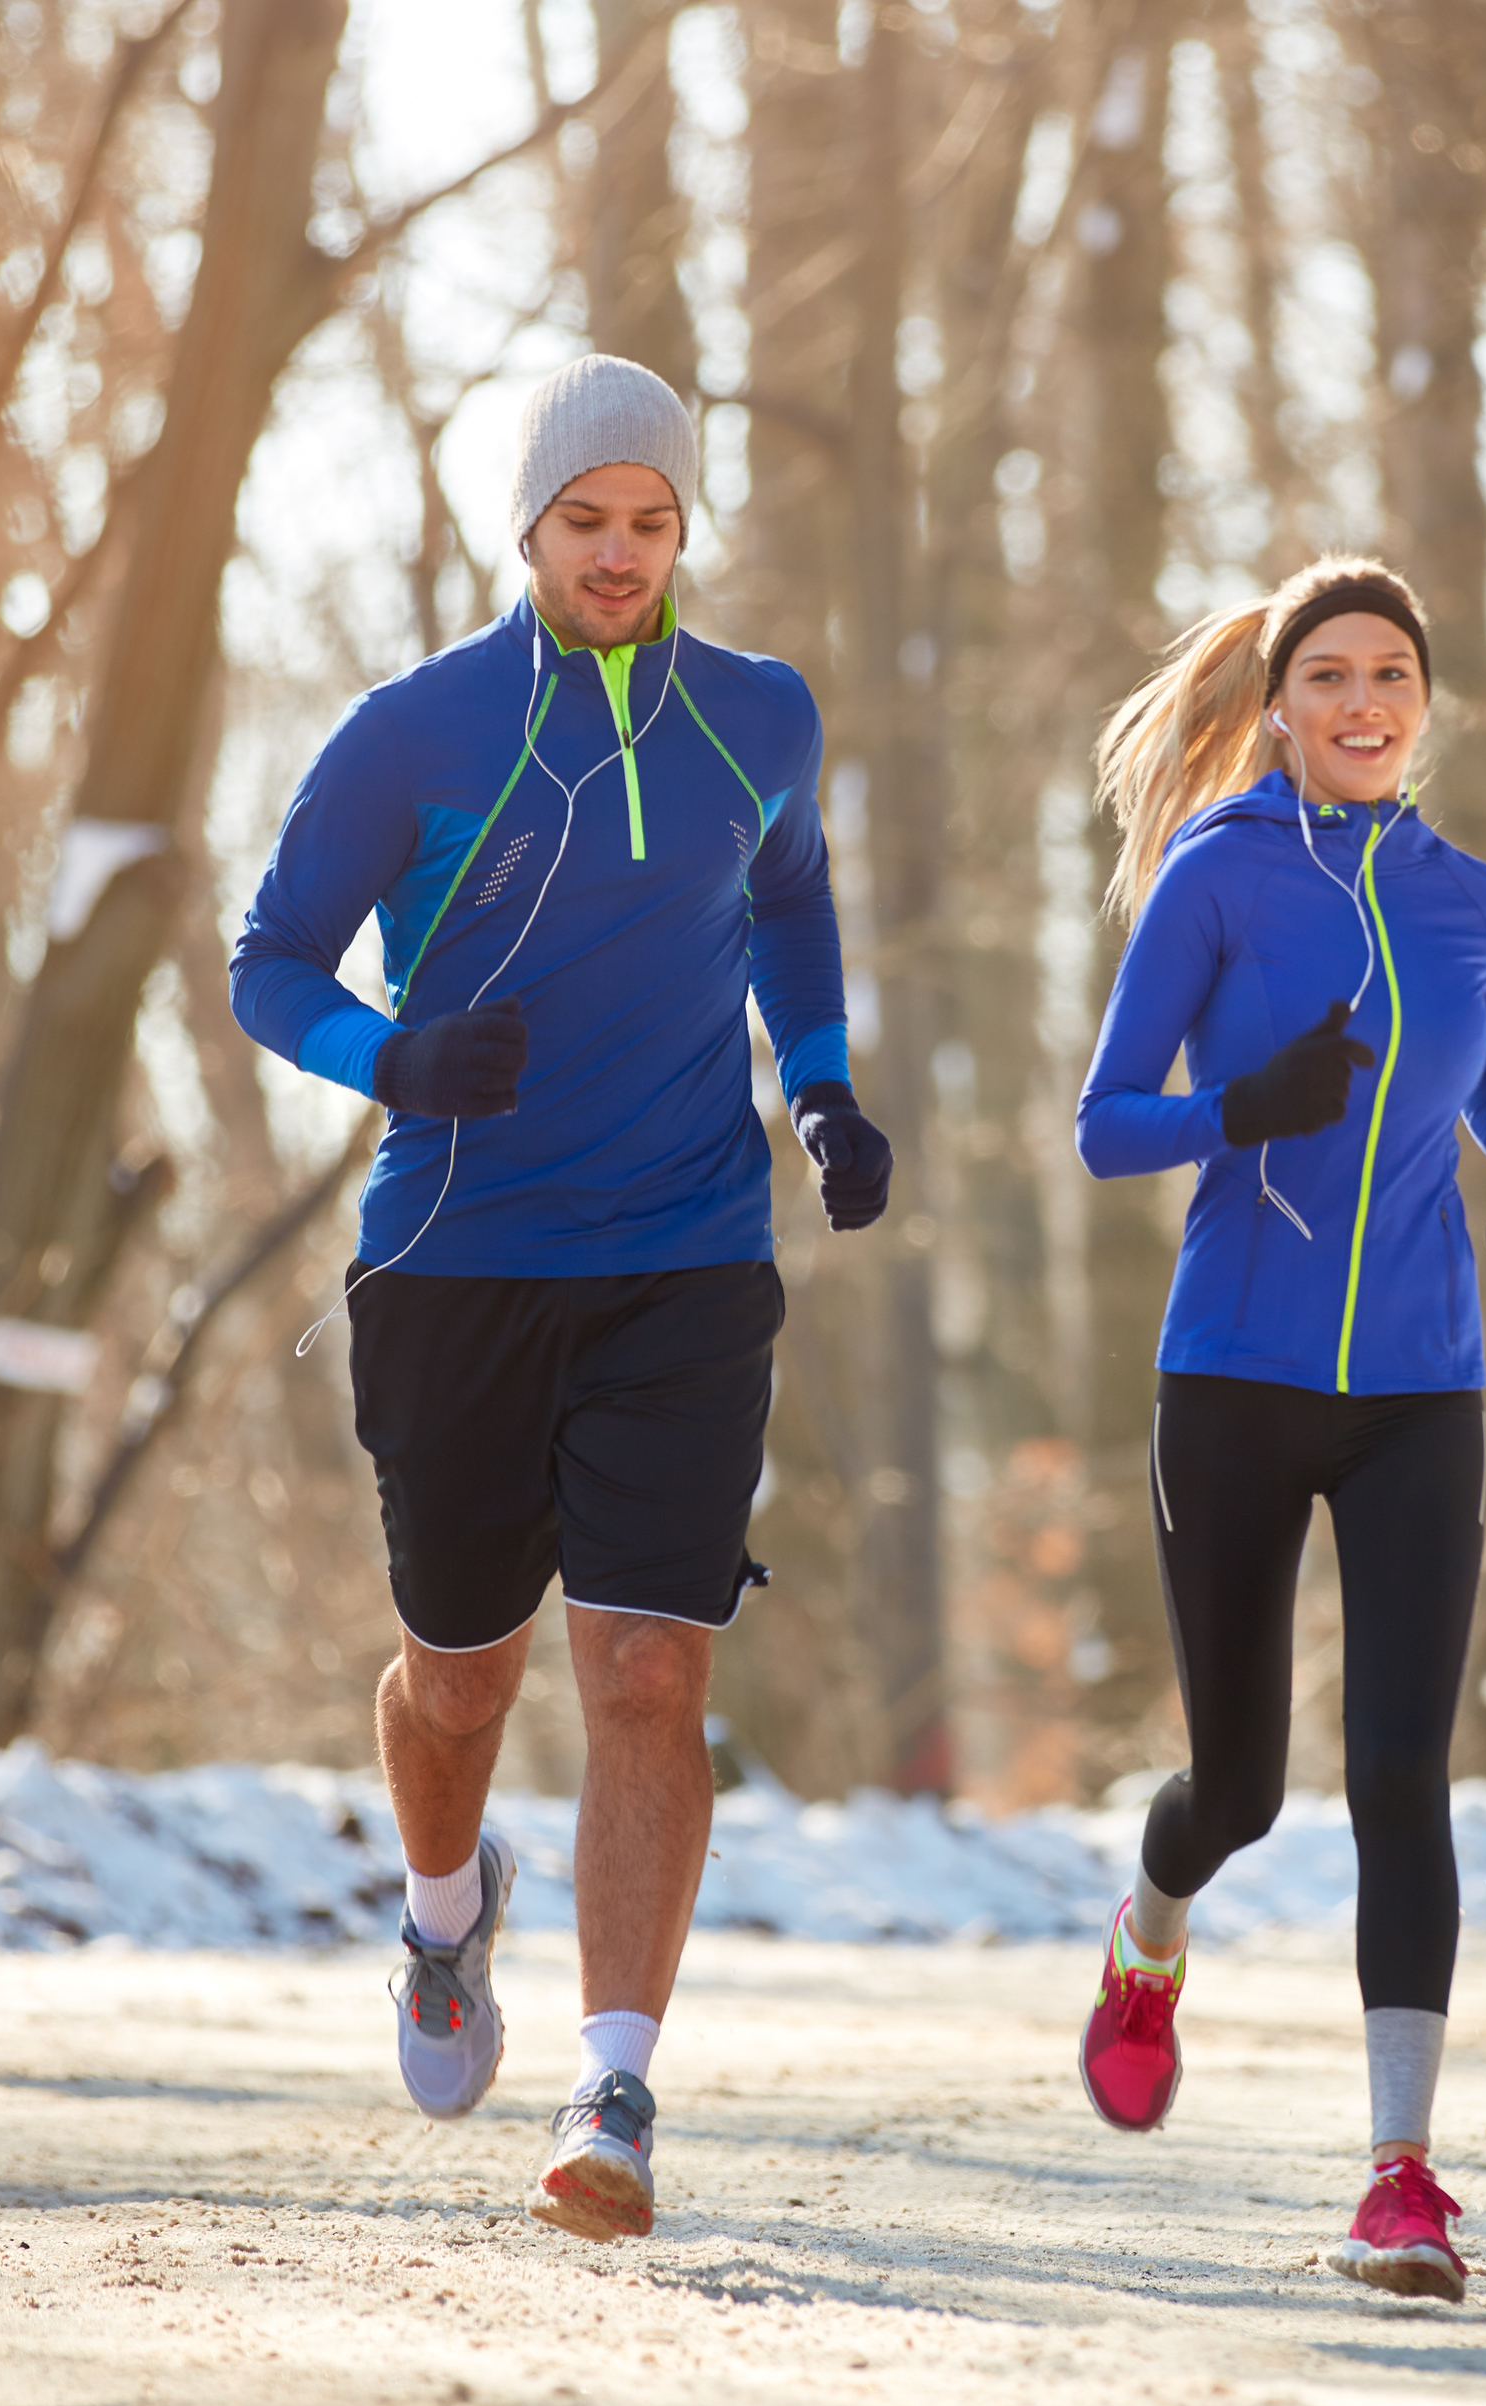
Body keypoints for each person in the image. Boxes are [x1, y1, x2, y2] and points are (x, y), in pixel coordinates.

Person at [229, 354, 893, 2243]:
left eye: (653, 522)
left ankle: (614, 2087)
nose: (620, 554)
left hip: (684, 1254)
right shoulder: (414, 731)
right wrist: (394, 1059)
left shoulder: (758, 714)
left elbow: (788, 898)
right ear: (525, 528)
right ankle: (446, 1918)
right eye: (587, 522)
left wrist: (825, 1082)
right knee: (459, 1677)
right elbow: (267, 960)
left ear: (690, 530)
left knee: (651, 1666)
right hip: (456, 1259)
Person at [1068, 556, 1486, 2303]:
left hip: (1422, 1387)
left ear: (1423, 702)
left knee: (1398, 1783)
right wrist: (1240, 1108)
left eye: (1392, 675)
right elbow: (1102, 1125)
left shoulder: (1475, 905)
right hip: (1233, 1375)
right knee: (1243, 1787)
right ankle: (1150, 1935)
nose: (1364, 703)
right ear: (1279, 705)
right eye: (1330, 676)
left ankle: (1401, 2175)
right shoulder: (1215, 878)